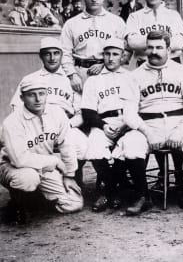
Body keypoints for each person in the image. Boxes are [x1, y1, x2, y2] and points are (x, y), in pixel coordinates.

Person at [117, 31, 183, 215]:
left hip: (178, 122)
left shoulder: (181, 71)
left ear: (168, 49)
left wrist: (182, 129)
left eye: (159, 47)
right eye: (150, 47)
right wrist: (147, 132)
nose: (154, 51)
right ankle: (143, 196)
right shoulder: (135, 75)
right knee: (131, 143)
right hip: (148, 125)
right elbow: (128, 113)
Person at [0, 76, 83, 224]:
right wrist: (54, 160)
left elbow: (67, 145)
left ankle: (35, 199)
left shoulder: (56, 113)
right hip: (12, 166)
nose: (38, 99)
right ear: (22, 97)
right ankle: (17, 204)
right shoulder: (12, 122)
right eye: (31, 95)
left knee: (73, 203)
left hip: (44, 167)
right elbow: (19, 160)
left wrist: (69, 175)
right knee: (28, 178)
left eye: (42, 93)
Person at [10, 37, 88, 172]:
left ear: (62, 55)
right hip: (35, 125)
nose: (52, 58)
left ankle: (73, 175)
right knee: (20, 149)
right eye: (47, 53)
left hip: (66, 124)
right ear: (41, 56)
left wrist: (68, 125)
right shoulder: (30, 78)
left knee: (83, 146)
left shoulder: (72, 79)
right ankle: (37, 184)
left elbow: (81, 112)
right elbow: (16, 107)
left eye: (56, 53)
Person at [81, 38, 133, 212]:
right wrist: (103, 126)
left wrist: (125, 125)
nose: (111, 58)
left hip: (127, 121)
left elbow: (137, 106)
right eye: (107, 54)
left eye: (115, 54)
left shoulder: (130, 77)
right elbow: (88, 112)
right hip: (103, 122)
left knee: (129, 146)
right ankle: (115, 189)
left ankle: (109, 191)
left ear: (123, 56)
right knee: (94, 146)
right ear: (102, 55)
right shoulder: (93, 80)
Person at [60, 0, 126, 93]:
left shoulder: (116, 21)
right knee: (81, 109)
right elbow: (64, 52)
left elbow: (125, 52)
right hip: (80, 73)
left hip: (108, 72)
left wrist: (104, 64)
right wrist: (72, 75)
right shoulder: (72, 23)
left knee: (108, 108)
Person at [125, 0, 183, 66]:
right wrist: (164, 43)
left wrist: (148, 44)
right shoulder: (134, 17)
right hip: (144, 64)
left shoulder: (174, 15)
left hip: (172, 63)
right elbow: (132, 42)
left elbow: (179, 43)